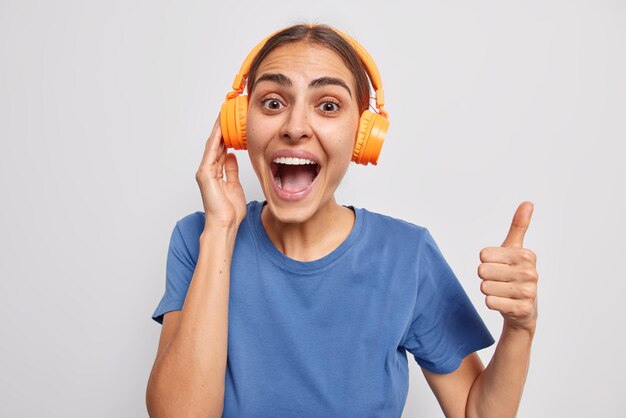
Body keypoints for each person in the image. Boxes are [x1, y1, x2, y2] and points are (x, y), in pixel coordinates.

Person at [145, 24, 539, 418]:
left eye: (328, 105)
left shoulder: (406, 255)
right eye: (272, 102)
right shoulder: (198, 237)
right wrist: (220, 230)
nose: (295, 127)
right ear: (239, 125)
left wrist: (520, 330)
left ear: (362, 136)